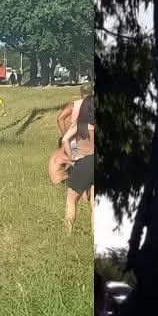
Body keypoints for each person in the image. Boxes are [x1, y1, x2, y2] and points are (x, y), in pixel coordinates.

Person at [61, 95, 94, 232]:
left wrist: (73, 156)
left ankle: (68, 233)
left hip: (83, 162)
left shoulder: (80, 124)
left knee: (71, 200)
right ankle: (94, 234)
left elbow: (65, 140)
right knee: (94, 204)